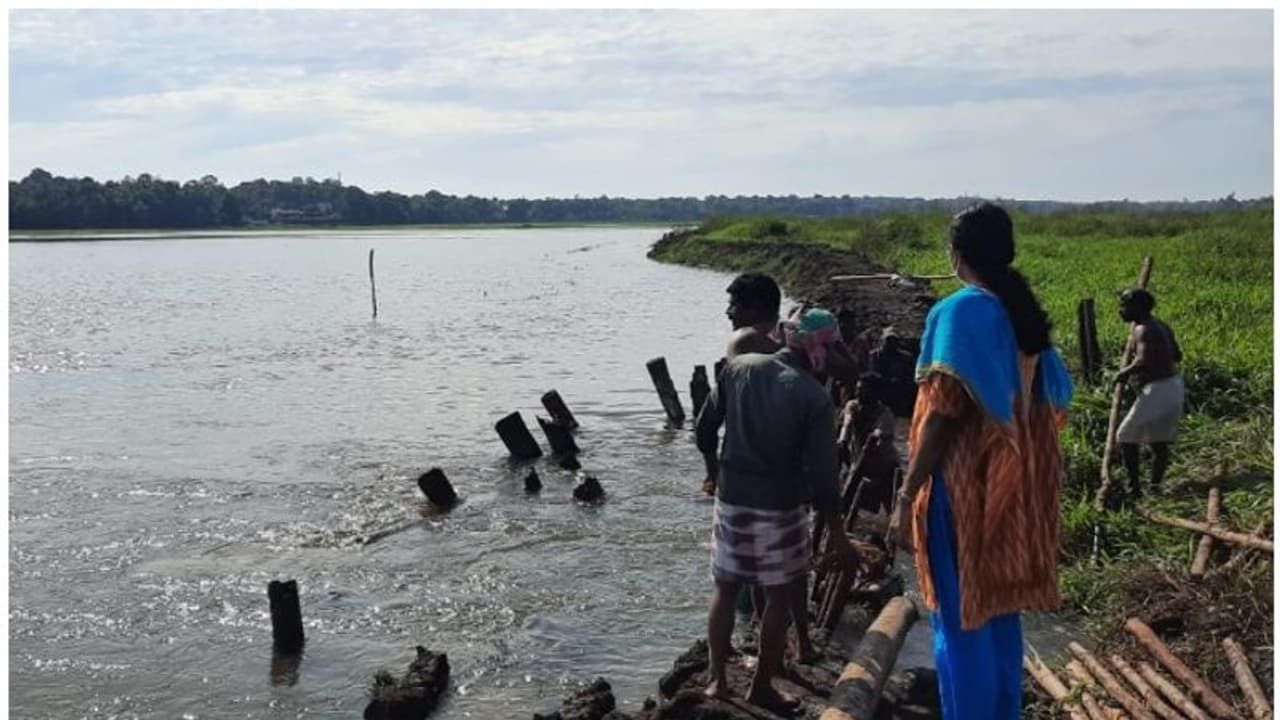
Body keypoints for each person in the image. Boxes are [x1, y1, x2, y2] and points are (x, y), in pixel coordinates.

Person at [887, 202, 1072, 720]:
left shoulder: (961, 311)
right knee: (998, 615)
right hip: (1018, 490)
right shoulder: (1019, 313)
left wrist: (906, 496)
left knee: (961, 621)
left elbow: (943, 416)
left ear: (957, 255)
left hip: (966, 487)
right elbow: (1050, 401)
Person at [696, 308, 857, 713]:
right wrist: (836, 530)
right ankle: (762, 686)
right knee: (780, 594)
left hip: (732, 498)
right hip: (781, 503)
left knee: (725, 587)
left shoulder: (739, 368)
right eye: (832, 347)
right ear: (818, 350)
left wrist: (715, 472)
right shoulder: (812, 395)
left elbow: (704, 427)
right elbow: (824, 473)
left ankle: (716, 679)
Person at [1114, 287, 1183, 500]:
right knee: (1158, 442)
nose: (1121, 310)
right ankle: (1155, 488)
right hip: (1173, 385)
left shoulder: (1143, 329)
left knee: (1124, 437)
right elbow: (1177, 355)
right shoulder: (1160, 325)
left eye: (1125, 305)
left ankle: (1134, 488)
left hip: (1158, 389)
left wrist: (1123, 373)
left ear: (1139, 307)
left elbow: (1142, 360)